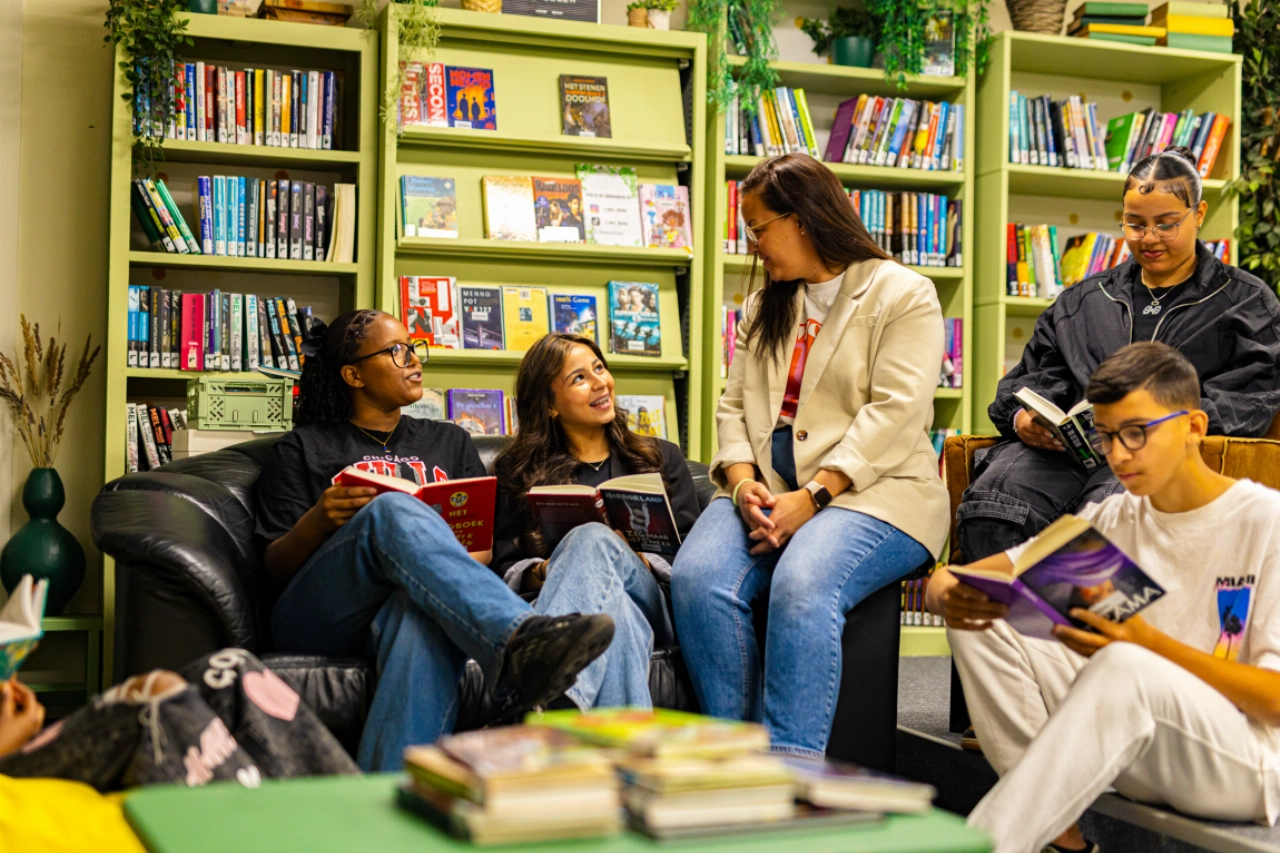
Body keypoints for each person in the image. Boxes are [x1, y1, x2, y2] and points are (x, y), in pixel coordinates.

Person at [928, 343, 1280, 853]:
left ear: (1194, 427)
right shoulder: (1117, 513)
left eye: (1137, 433)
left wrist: (1146, 644)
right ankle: (1059, 836)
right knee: (983, 615)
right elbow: (993, 573)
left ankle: (992, 844)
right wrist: (946, 586)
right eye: (1106, 436)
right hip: (1137, 745)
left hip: (1242, 765)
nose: (1117, 455)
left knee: (1124, 663)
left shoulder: (1266, 521)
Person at [670, 153, 950, 757]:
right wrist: (743, 485)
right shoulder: (762, 306)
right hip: (770, 489)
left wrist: (814, 495)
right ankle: (738, 763)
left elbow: (895, 415)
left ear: (803, 220)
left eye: (759, 228)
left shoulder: (903, 293)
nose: (753, 245)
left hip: (878, 494)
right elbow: (733, 407)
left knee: (802, 582)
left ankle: (794, 772)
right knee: (697, 579)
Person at [256, 309, 616, 772]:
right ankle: (516, 641)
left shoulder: (449, 441)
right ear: (353, 374)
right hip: (323, 611)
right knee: (391, 509)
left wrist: (447, 550)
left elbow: (480, 550)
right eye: (396, 351)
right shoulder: (304, 447)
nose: (413, 360)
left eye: (413, 348)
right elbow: (272, 570)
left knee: (421, 616)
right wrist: (318, 522)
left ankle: (385, 807)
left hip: (418, 596)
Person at [957, 145, 1280, 563]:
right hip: (1065, 454)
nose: (1149, 239)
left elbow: (1252, 396)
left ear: (1198, 216)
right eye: (1135, 224)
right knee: (996, 507)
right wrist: (1023, 418)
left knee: (1112, 522)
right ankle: (1002, 624)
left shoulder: (1245, 303)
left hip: (1161, 456)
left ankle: (1091, 628)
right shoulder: (1084, 299)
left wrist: (1154, 421)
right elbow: (1031, 377)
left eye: (1166, 224)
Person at [491, 332, 699, 708]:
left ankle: (536, 684)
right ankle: (617, 756)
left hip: (652, 594)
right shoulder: (517, 471)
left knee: (594, 537)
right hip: (573, 603)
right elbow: (503, 562)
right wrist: (543, 569)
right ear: (550, 405)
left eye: (599, 368)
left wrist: (639, 559)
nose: (600, 382)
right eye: (579, 378)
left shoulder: (660, 457)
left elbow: (694, 554)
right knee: (618, 622)